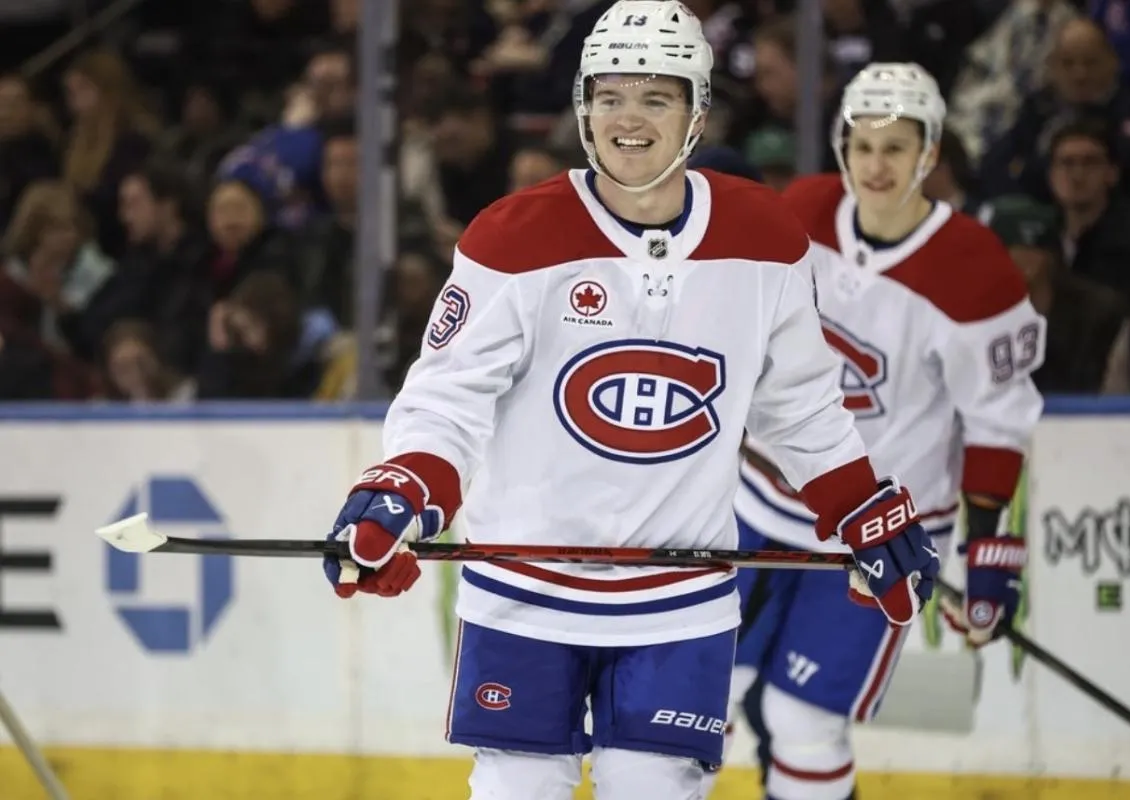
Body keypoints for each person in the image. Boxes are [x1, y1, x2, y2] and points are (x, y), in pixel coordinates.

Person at [319, 6, 941, 799]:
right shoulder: (512, 237)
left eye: (656, 97)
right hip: (524, 592)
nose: (628, 119)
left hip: (678, 602)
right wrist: (404, 487)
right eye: (610, 96)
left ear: (697, 113)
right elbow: (448, 397)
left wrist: (860, 507)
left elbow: (798, 406)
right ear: (582, 107)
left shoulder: (764, 238)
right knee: (519, 792)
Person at [714, 63, 1045, 800]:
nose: (876, 165)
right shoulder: (799, 212)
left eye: (896, 147)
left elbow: (997, 424)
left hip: (881, 532)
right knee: (698, 701)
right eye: (862, 145)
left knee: (801, 719)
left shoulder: (977, 273)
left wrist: (991, 551)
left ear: (930, 154)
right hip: (757, 504)